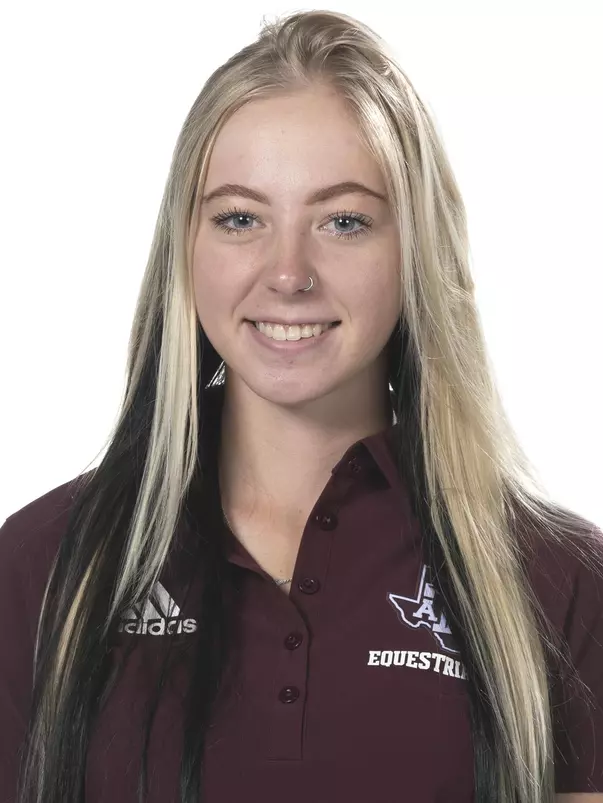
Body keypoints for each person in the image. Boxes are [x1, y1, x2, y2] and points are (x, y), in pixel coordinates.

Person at [0, 9, 602, 803]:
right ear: (187, 246)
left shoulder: (554, 578)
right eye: (240, 218)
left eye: (343, 221)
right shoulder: (46, 568)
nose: (287, 273)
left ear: (415, 249)